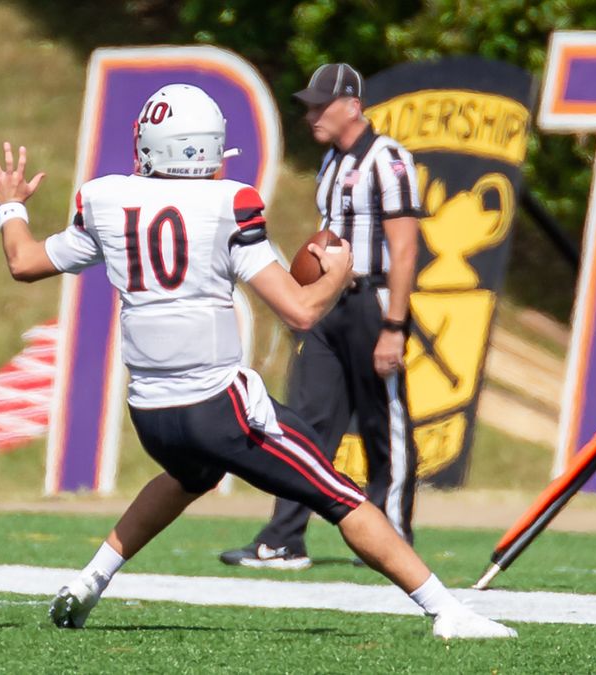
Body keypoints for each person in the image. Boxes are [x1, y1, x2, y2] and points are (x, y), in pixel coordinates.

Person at [0, 84, 513, 639]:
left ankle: (91, 578)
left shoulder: (107, 199)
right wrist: (339, 273)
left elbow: (25, 261)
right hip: (219, 405)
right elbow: (302, 311)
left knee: (190, 474)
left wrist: (11, 203)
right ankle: (448, 611)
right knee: (342, 495)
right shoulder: (228, 205)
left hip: (151, 412)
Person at [220, 63, 422, 570]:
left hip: (373, 300)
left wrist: (394, 327)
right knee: (304, 420)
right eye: (308, 104)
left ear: (352, 104)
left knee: (383, 421)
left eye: (320, 104)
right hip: (333, 301)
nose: (310, 114)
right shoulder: (332, 162)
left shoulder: (388, 159)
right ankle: (285, 537)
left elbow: (404, 248)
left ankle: (392, 533)